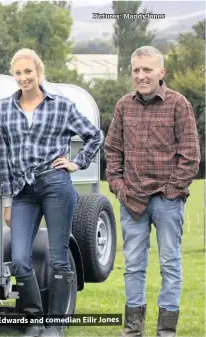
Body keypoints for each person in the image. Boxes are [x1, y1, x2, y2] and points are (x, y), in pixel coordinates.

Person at [0, 48, 103, 337]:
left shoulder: (61, 106)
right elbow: (4, 157)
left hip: (56, 185)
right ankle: (33, 318)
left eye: (28, 72)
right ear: (13, 75)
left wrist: (76, 162)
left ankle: (55, 323)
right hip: (22, 191)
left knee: (58, 258)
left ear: (39, 73)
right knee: (19, 259)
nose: (23, 77)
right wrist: (7, 201)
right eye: (18, 73)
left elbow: (95, 135)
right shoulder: (5, 108)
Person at [104, 45, 200, 337]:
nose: (141, 76)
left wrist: (172, 191)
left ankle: (166, 330)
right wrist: (119, 187)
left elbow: (191, 156)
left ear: (161, 72)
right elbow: (112, 150)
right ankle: (133, 329)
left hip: (167, 200)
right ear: (131, 72)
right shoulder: (123, 105)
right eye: (136, 70)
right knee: (133, 265)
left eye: (148, 69)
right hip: (131, 199)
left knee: (170, 263)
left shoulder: (178, 104)